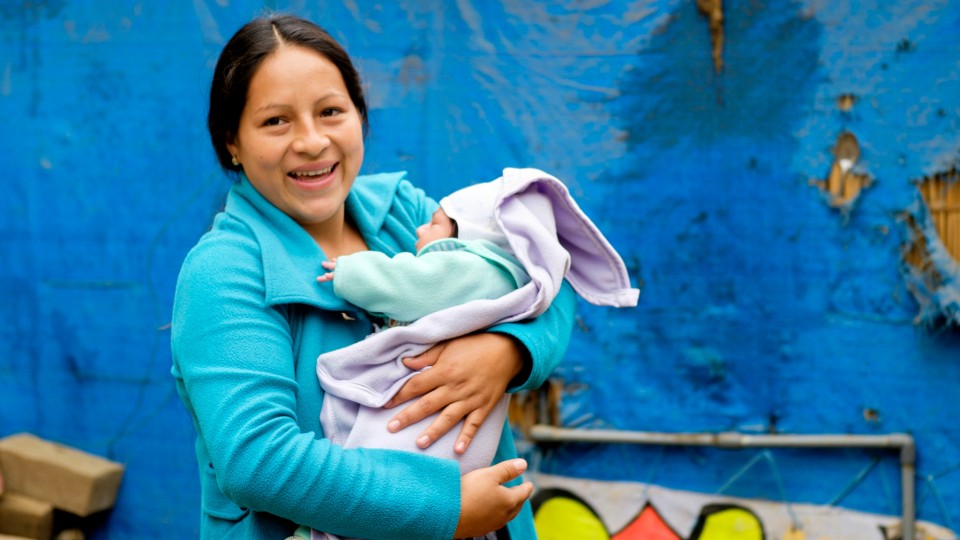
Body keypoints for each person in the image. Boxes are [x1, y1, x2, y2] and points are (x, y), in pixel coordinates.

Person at [170, 13, 578, 540]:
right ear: (232, 141)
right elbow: (258, 458)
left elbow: (544, 276)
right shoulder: (225, 272)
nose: (312, 141)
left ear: (360, 117)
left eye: (330, 111)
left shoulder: (403, 214)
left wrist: (508, 350)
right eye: (276, 121)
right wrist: (444, 507)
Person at [306, 169, 640, 540]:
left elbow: (413, 285)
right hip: (458, 437)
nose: (419, 230)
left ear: (470, 236)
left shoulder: (476, 266)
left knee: (394, 455)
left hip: (430, 423)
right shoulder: (504, 274)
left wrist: (352, 273)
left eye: (433, 224)